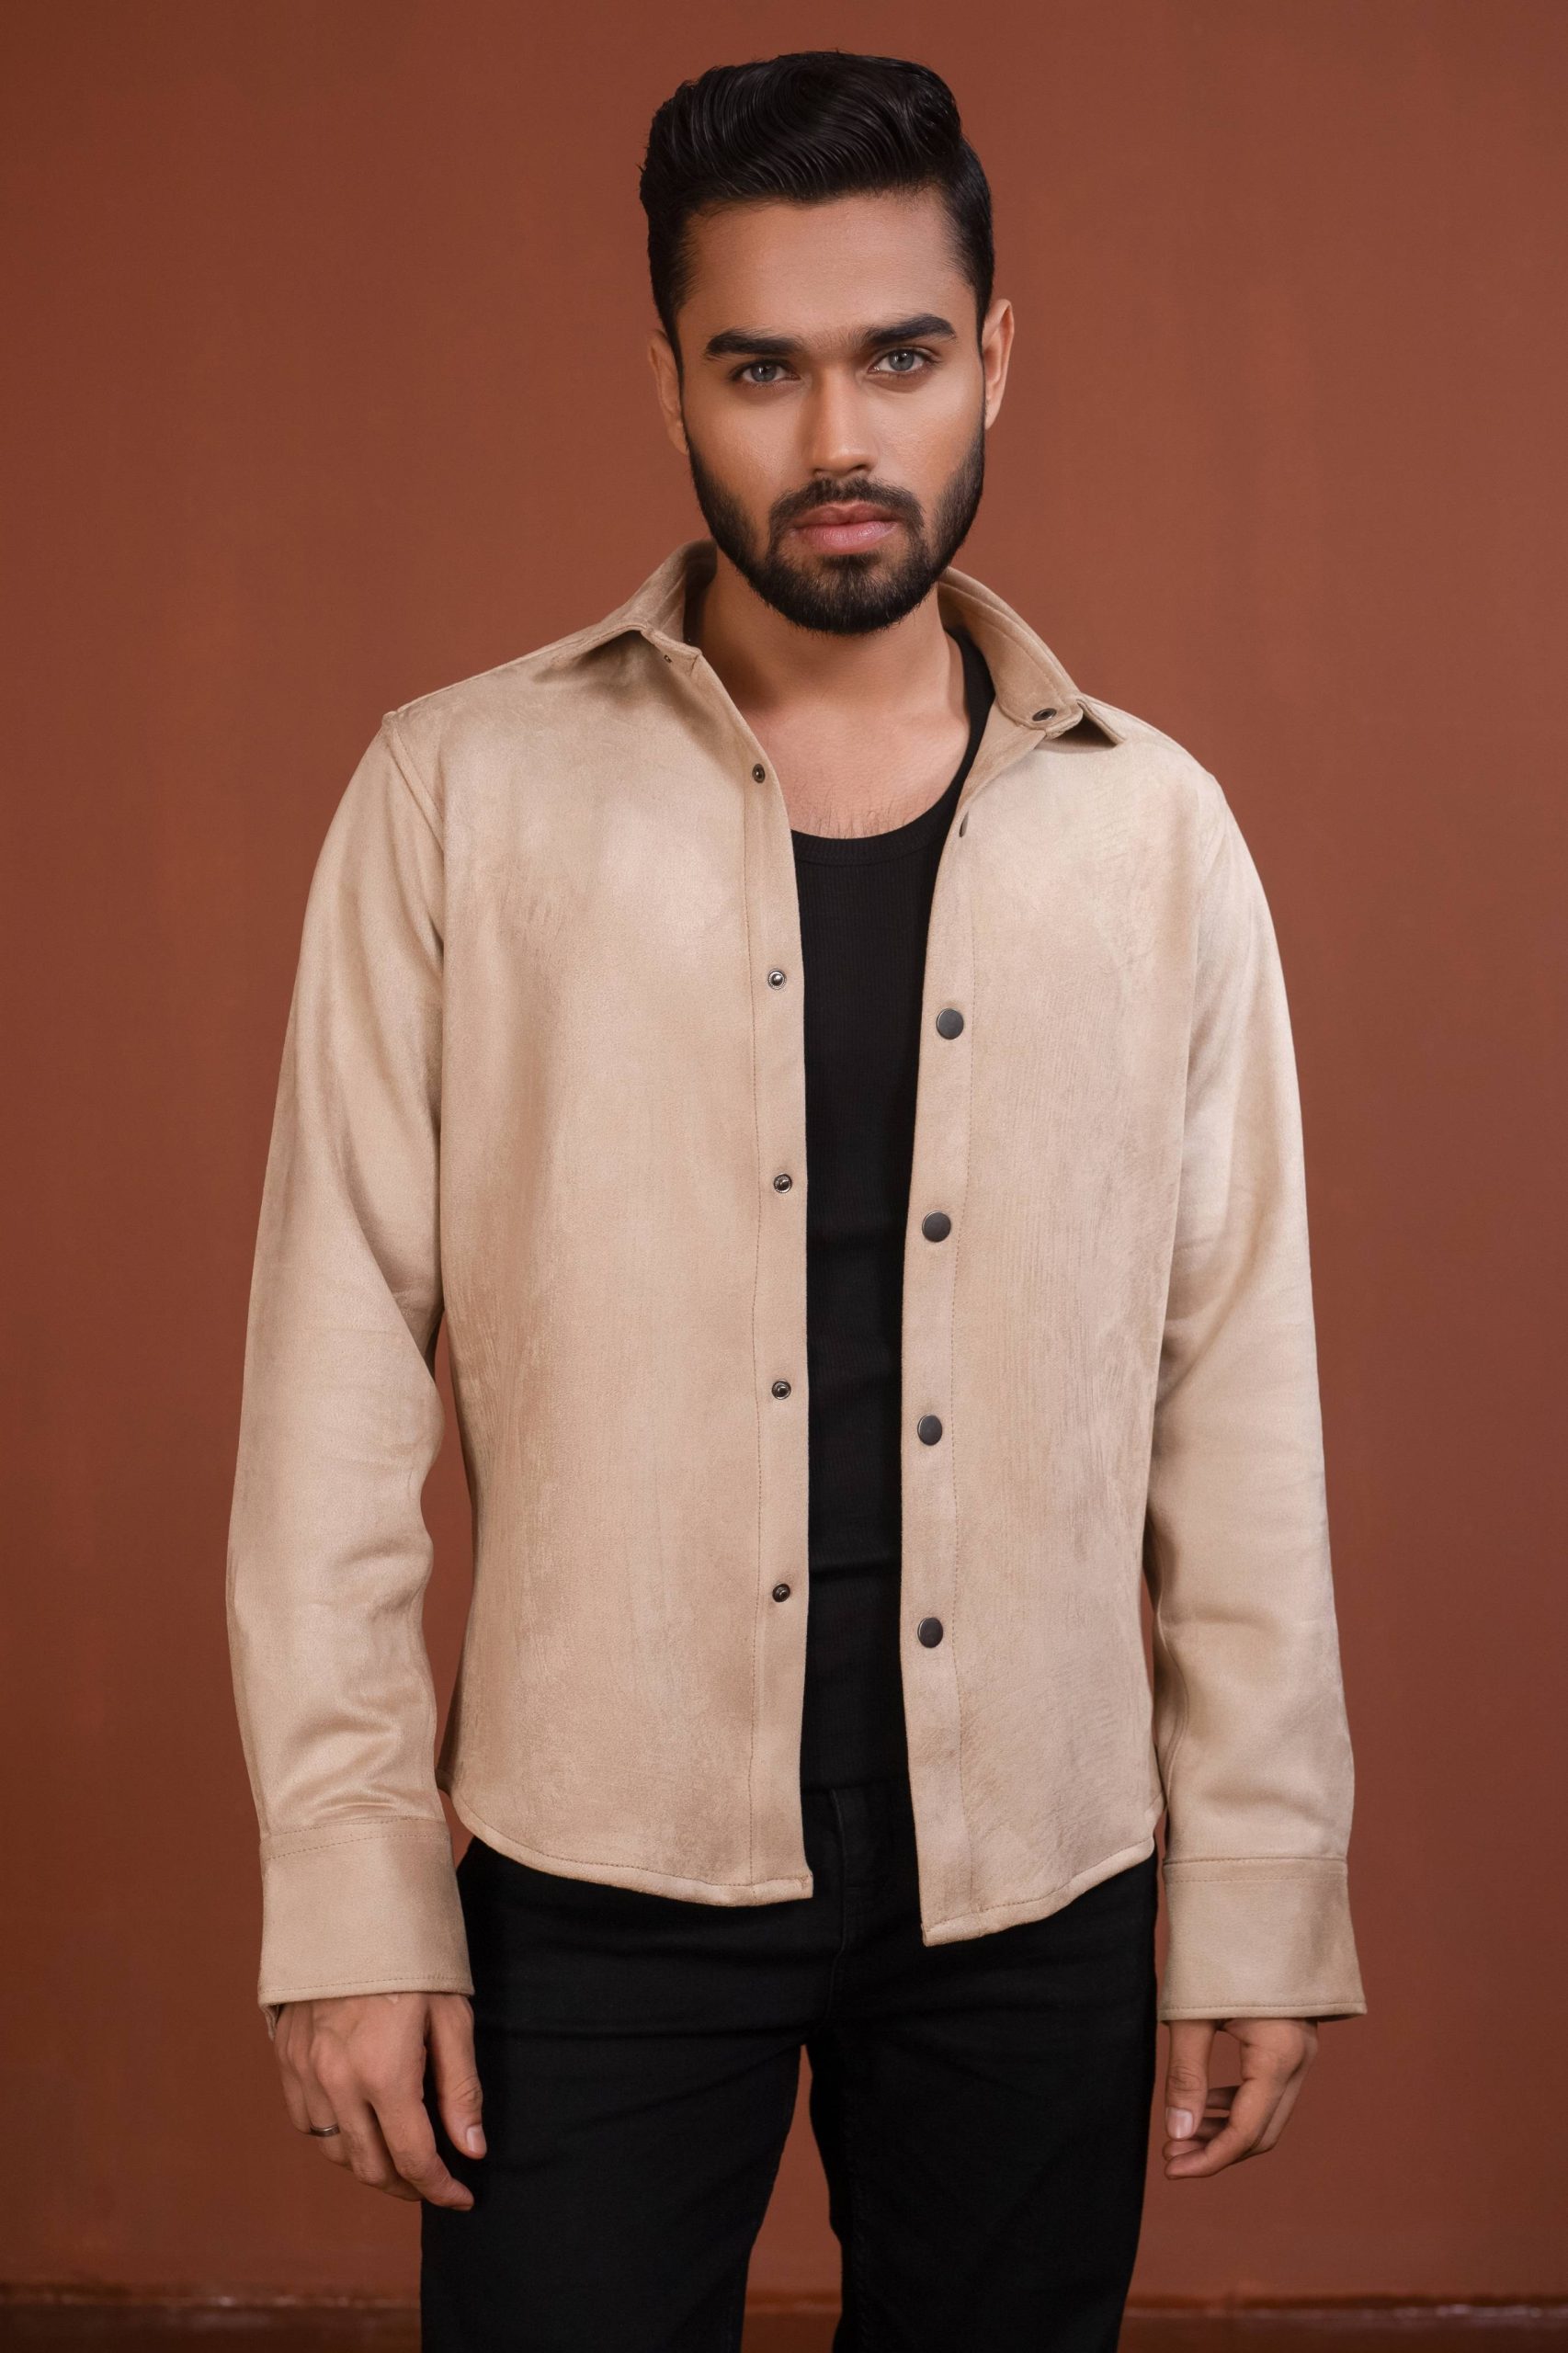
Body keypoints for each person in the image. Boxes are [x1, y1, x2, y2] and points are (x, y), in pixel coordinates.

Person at [225, 48, 1367, 2352]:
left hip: (1035, 1883)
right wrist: (350, 1884)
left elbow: (1234, 1393)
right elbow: (331, 1383)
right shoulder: (459, 797)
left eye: (898, 357)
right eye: (760, 367)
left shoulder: (1155, 836)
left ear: (994, 358)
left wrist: (1260, 1878)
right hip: (599, 1867)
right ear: (666, 379)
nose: (837, 435)